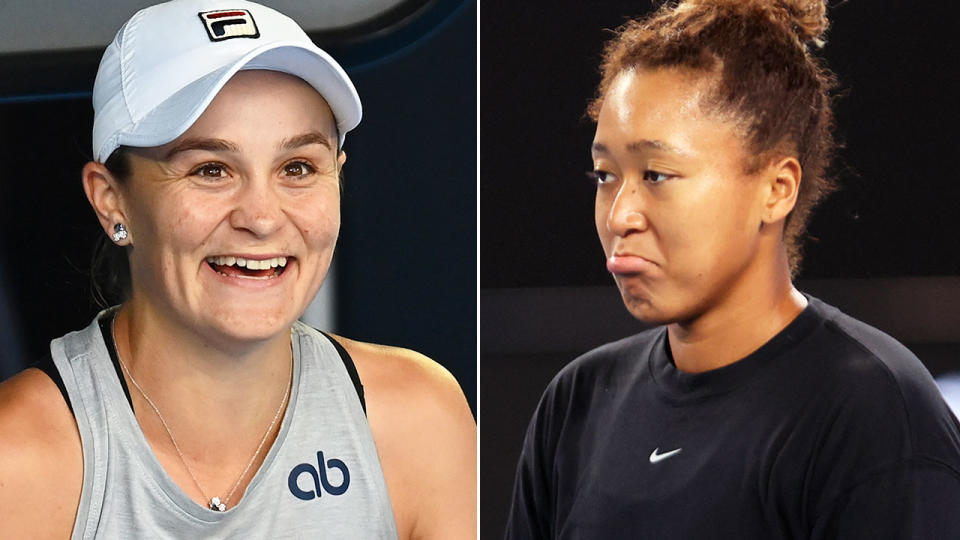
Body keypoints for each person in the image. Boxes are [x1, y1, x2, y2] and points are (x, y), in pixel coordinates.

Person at [0, 0, 475, 538]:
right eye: (211, 169)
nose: (262, 217)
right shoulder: (17, 460)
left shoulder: (418, 419)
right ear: (111, 200)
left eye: (297, 168)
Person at [505, 0, 960, 538]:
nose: (620, 214)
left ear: (776, 189)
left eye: (656, 174)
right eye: (605, 175)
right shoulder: (576, 403)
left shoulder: (875, 416)